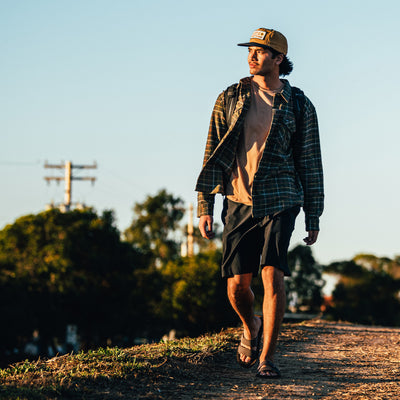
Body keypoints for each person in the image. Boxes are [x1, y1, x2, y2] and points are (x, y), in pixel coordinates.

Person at [195, 28, 324, 378]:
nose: (252, 56)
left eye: (261, 51)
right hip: (238, 198)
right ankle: (250, 325)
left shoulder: (299, 104)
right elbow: (213, 152)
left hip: (282, 196)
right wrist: (205, 205)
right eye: (250, 49)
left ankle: (268, 357)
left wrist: (313, 213)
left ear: (279, 59)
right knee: (237, 285)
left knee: (272, 273)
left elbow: (309, 162)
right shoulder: (231, 97)